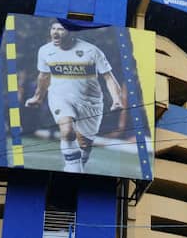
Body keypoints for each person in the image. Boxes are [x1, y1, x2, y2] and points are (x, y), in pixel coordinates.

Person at [25, 21, 124, 173]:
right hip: (59, 96)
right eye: (53, 28)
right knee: (67, 130)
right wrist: (38, 97)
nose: (55, 33)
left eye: (61, 29)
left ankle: (74, 168)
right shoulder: (45, 51)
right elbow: (43, 76)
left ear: (71, 32)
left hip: (91, 102)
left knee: (84, 145)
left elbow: (109, 78)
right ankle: (73, 169)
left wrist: (117, 100)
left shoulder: (91, 50)